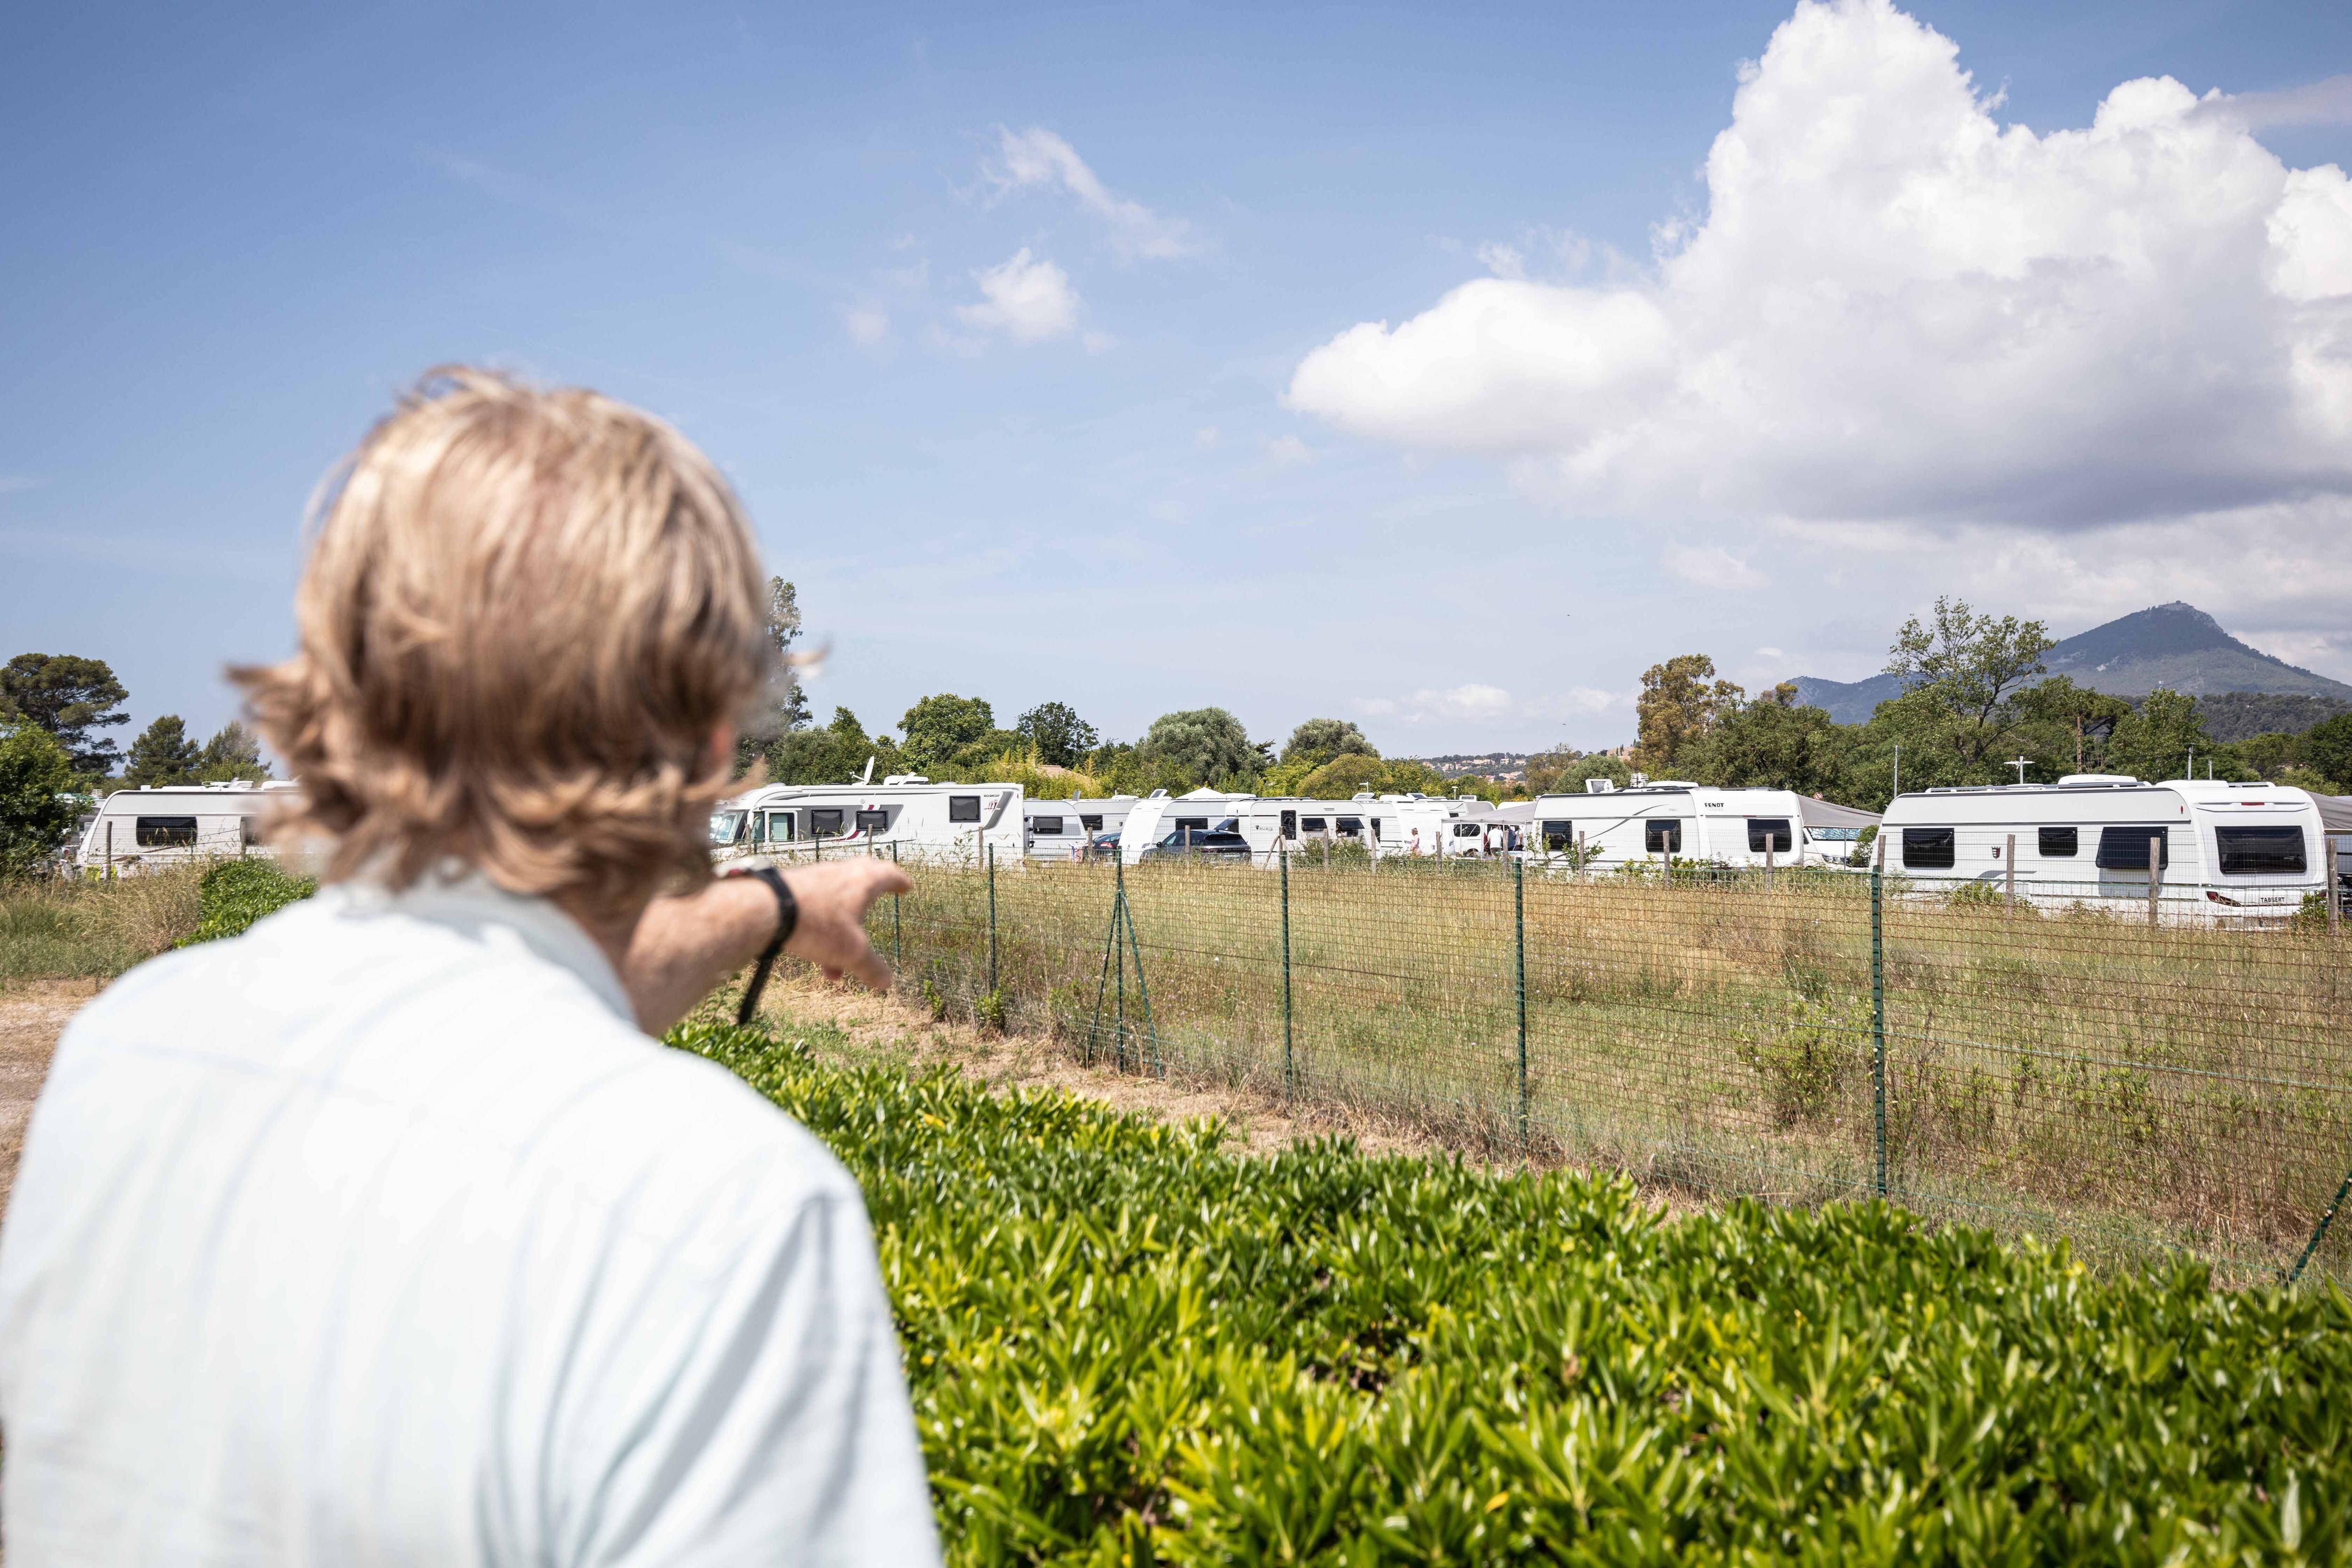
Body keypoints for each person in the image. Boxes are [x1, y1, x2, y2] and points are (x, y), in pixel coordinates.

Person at [0, 369, 939, 1565]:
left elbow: (508, 1001)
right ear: (709, 730)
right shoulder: (727, 1210)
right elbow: (540, 1028)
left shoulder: (127, 1048)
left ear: (344, 684)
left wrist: (771, 906)